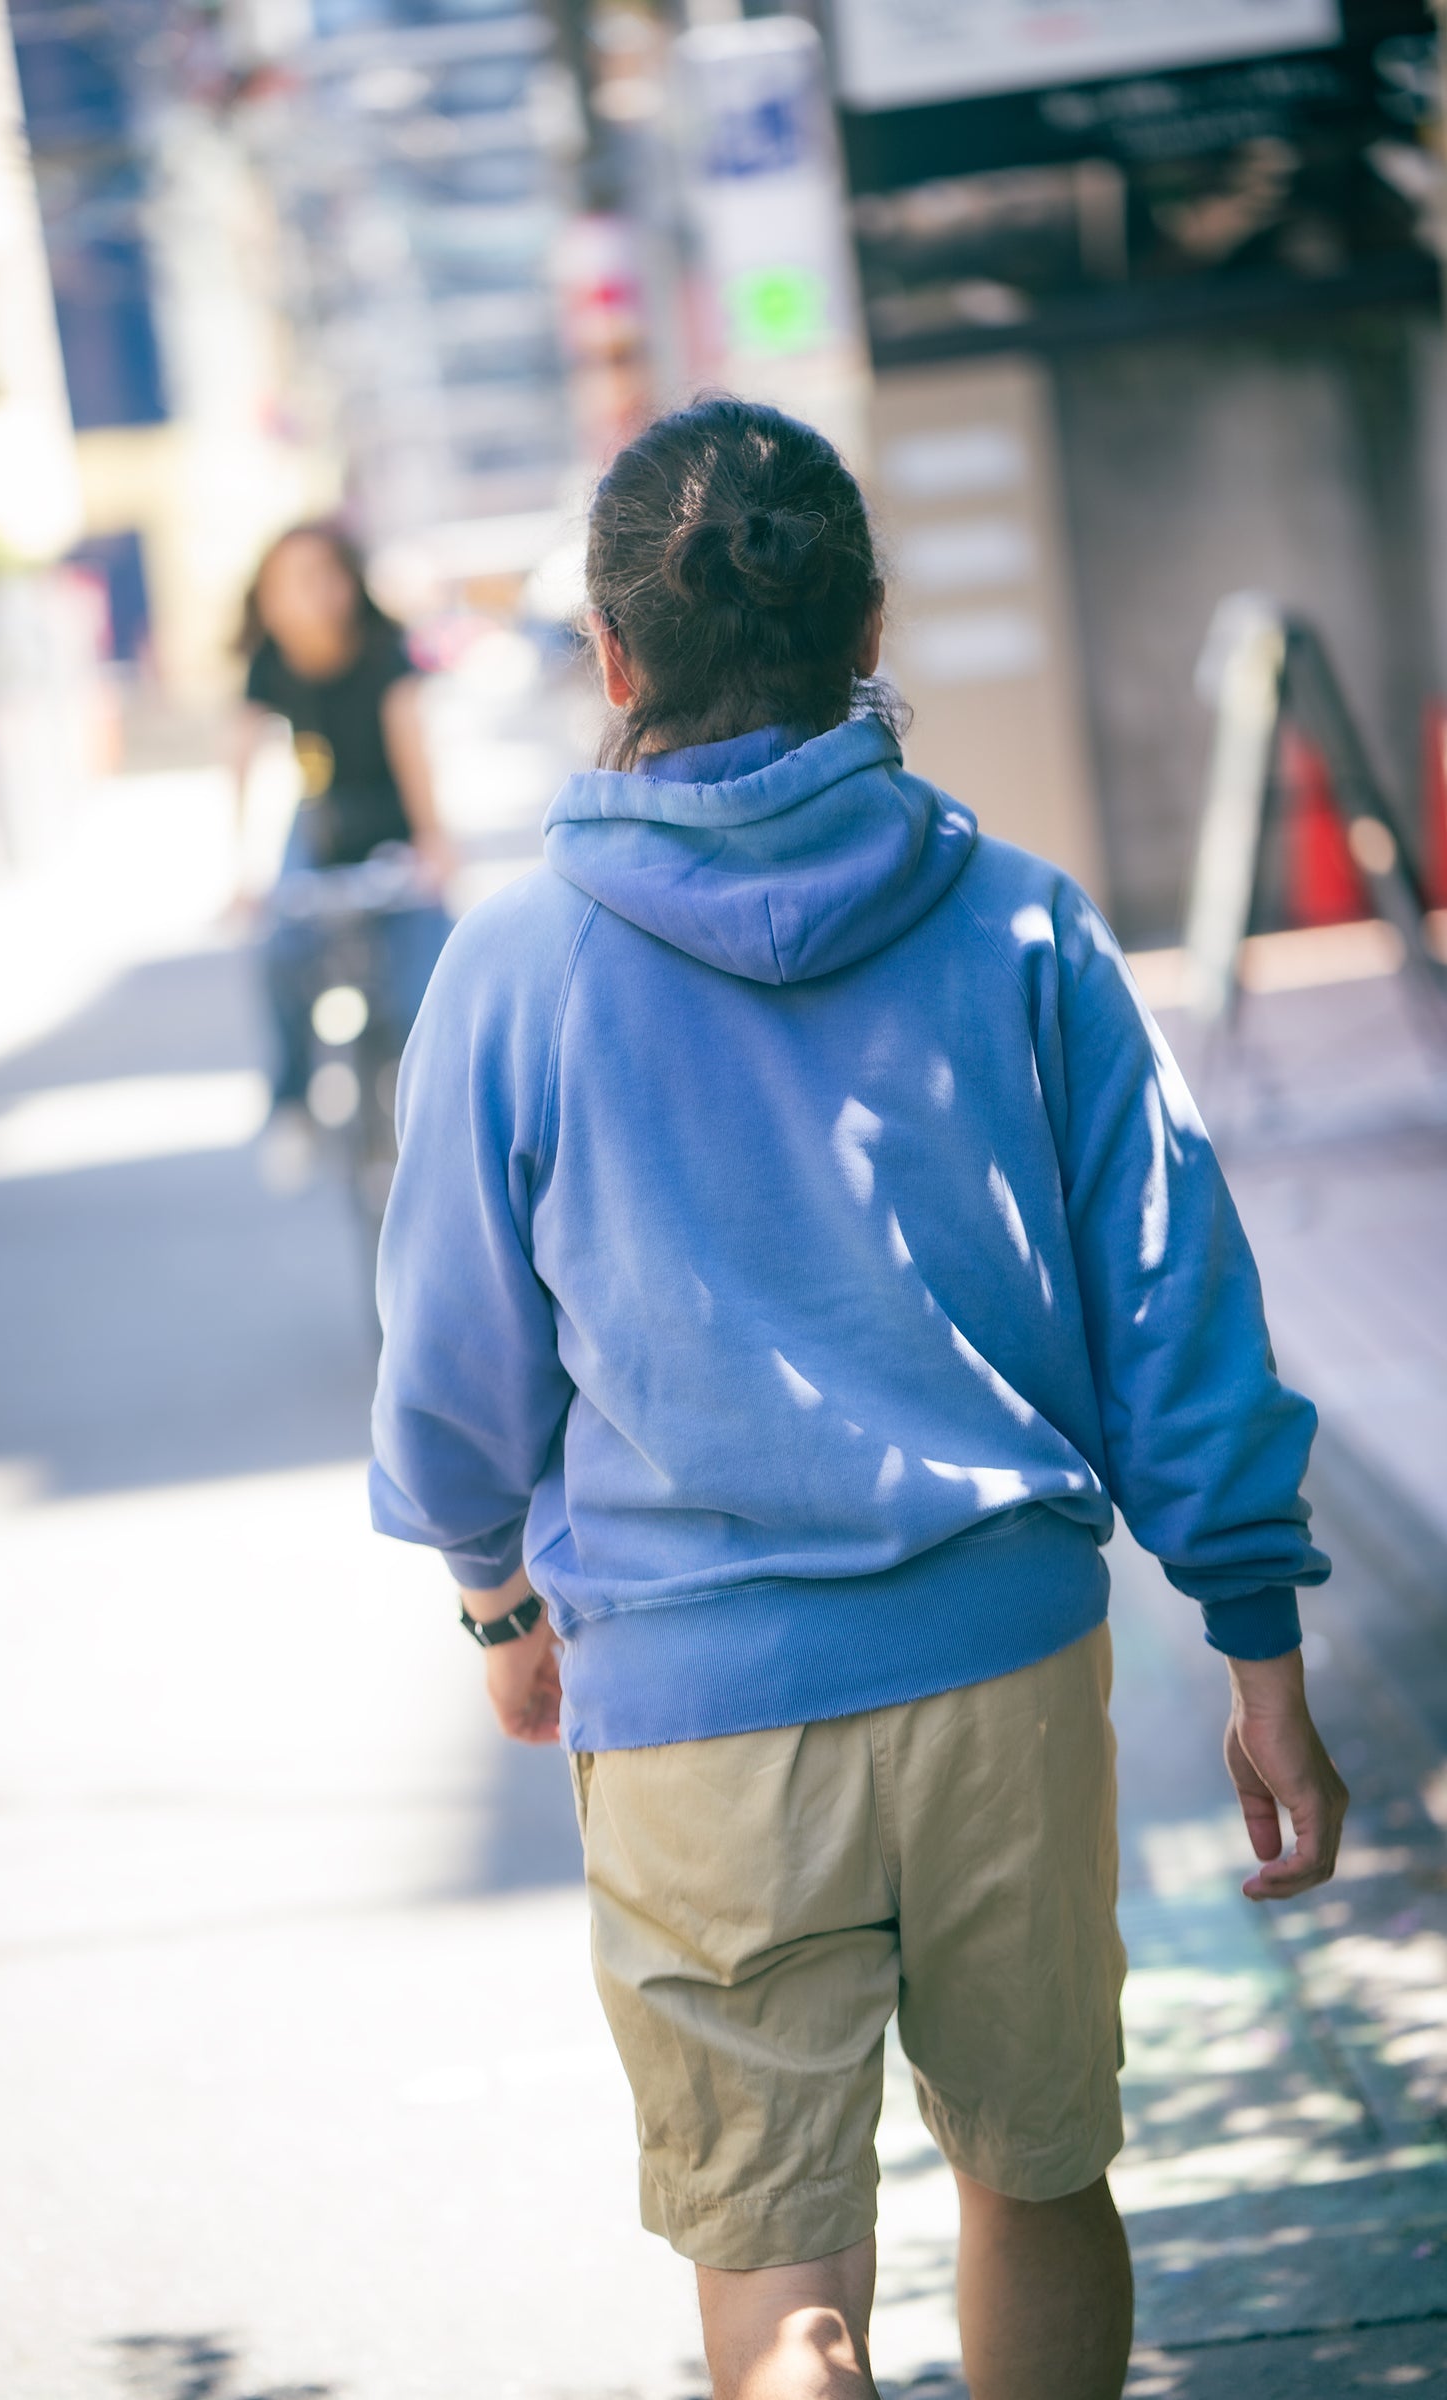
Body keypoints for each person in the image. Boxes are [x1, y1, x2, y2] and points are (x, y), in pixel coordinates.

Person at [366, 398, 1345, 2400]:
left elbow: (451, 1374)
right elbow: (1173, 1308)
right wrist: (1255, 1643)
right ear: (863, 624)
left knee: (782, 2291)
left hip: (695, 1720)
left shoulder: (516, 972)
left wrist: (496, 1600)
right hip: (998, 1668)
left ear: (613, 656)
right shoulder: (1019, 925)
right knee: (1038, 2176)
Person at [234, 522, 453, 1169]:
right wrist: (243, 870)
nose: (307, 597)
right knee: (278, 945)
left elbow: (411, 742)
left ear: (349, 585)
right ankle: (292, 1102)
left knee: (428, 982)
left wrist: (434, 842)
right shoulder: (269, 663)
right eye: (287, 584)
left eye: (321, 576)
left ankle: (443, 1118)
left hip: (396, 826)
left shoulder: (386, 654)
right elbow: (241, 756)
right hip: (319, 824)